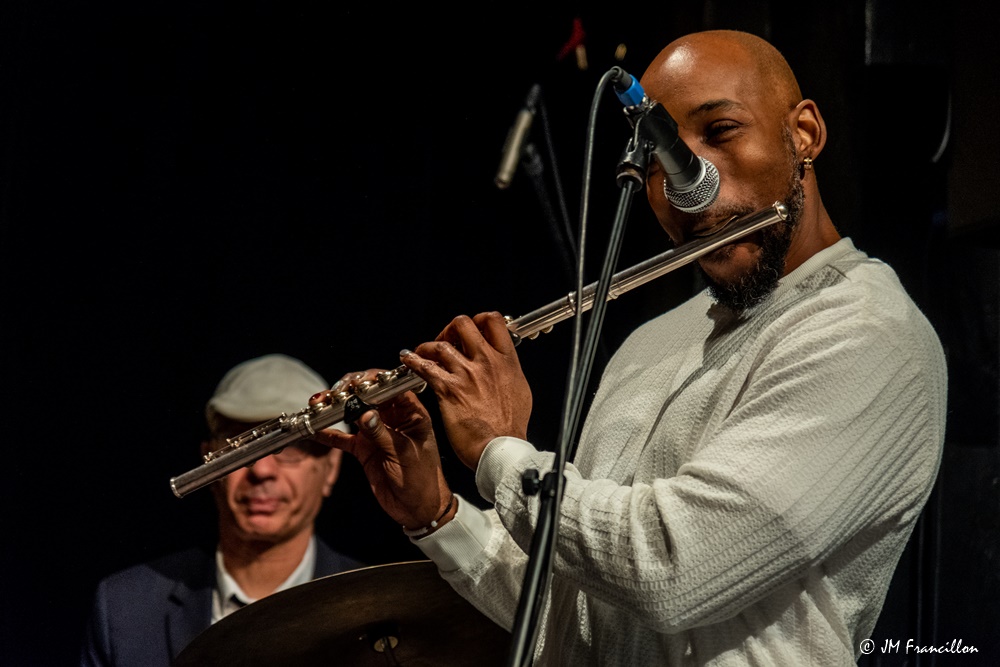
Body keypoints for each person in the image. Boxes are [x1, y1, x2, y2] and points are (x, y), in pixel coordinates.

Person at [311, 30, 948, 666]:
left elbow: (676, 568)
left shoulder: (867, 333)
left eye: (720, 131)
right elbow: (576, 613)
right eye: (655, 161)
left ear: (804, 133)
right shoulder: (651, 342)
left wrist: (499, 449)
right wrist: (437, 512)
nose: (687, 185)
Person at [81, 353, 364, 666]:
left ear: (331, 468)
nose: (261, 470)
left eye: (291, 444)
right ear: (209, 461)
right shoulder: (125, 609)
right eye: (238, 445)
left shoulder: (375, 604)